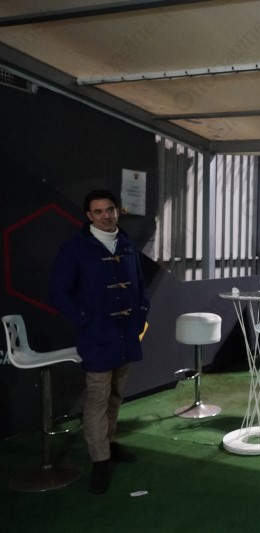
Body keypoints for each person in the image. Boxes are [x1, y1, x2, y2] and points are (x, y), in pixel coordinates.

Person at [50, 189, 150, 494]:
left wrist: (140, 314)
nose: (106, 216)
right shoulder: (75, 248)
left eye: (110, 210)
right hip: (96, 336)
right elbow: (59, 292)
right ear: (89, 216)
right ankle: (100, 460)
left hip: (125, 334)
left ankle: (109, 443)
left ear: (117, 211)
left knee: (116, 394)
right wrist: (85, 319)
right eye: (98, 211)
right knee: (97, 397)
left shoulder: (127, 245)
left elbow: (140, 285)